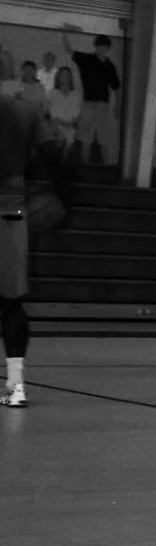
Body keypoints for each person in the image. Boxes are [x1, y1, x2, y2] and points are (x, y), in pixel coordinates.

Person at [0, 91, 42, 408]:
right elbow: (51, 155)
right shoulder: (23, 111)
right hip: (12, 214)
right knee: (12, 304)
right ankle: (16, 385)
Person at [62, 27, 121, 167]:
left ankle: (106, 169)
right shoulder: (87, 59)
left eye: (105, 47)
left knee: (104, 140)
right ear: (96, 47)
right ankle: (85, 168)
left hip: (102, 106)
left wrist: (117, 106)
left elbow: (117, 87)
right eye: (100, 46)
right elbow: (69, 50)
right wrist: (65, 33)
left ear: (108, 48)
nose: (102, 49)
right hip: (88, 104)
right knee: (85, 140)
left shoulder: (110, 65)